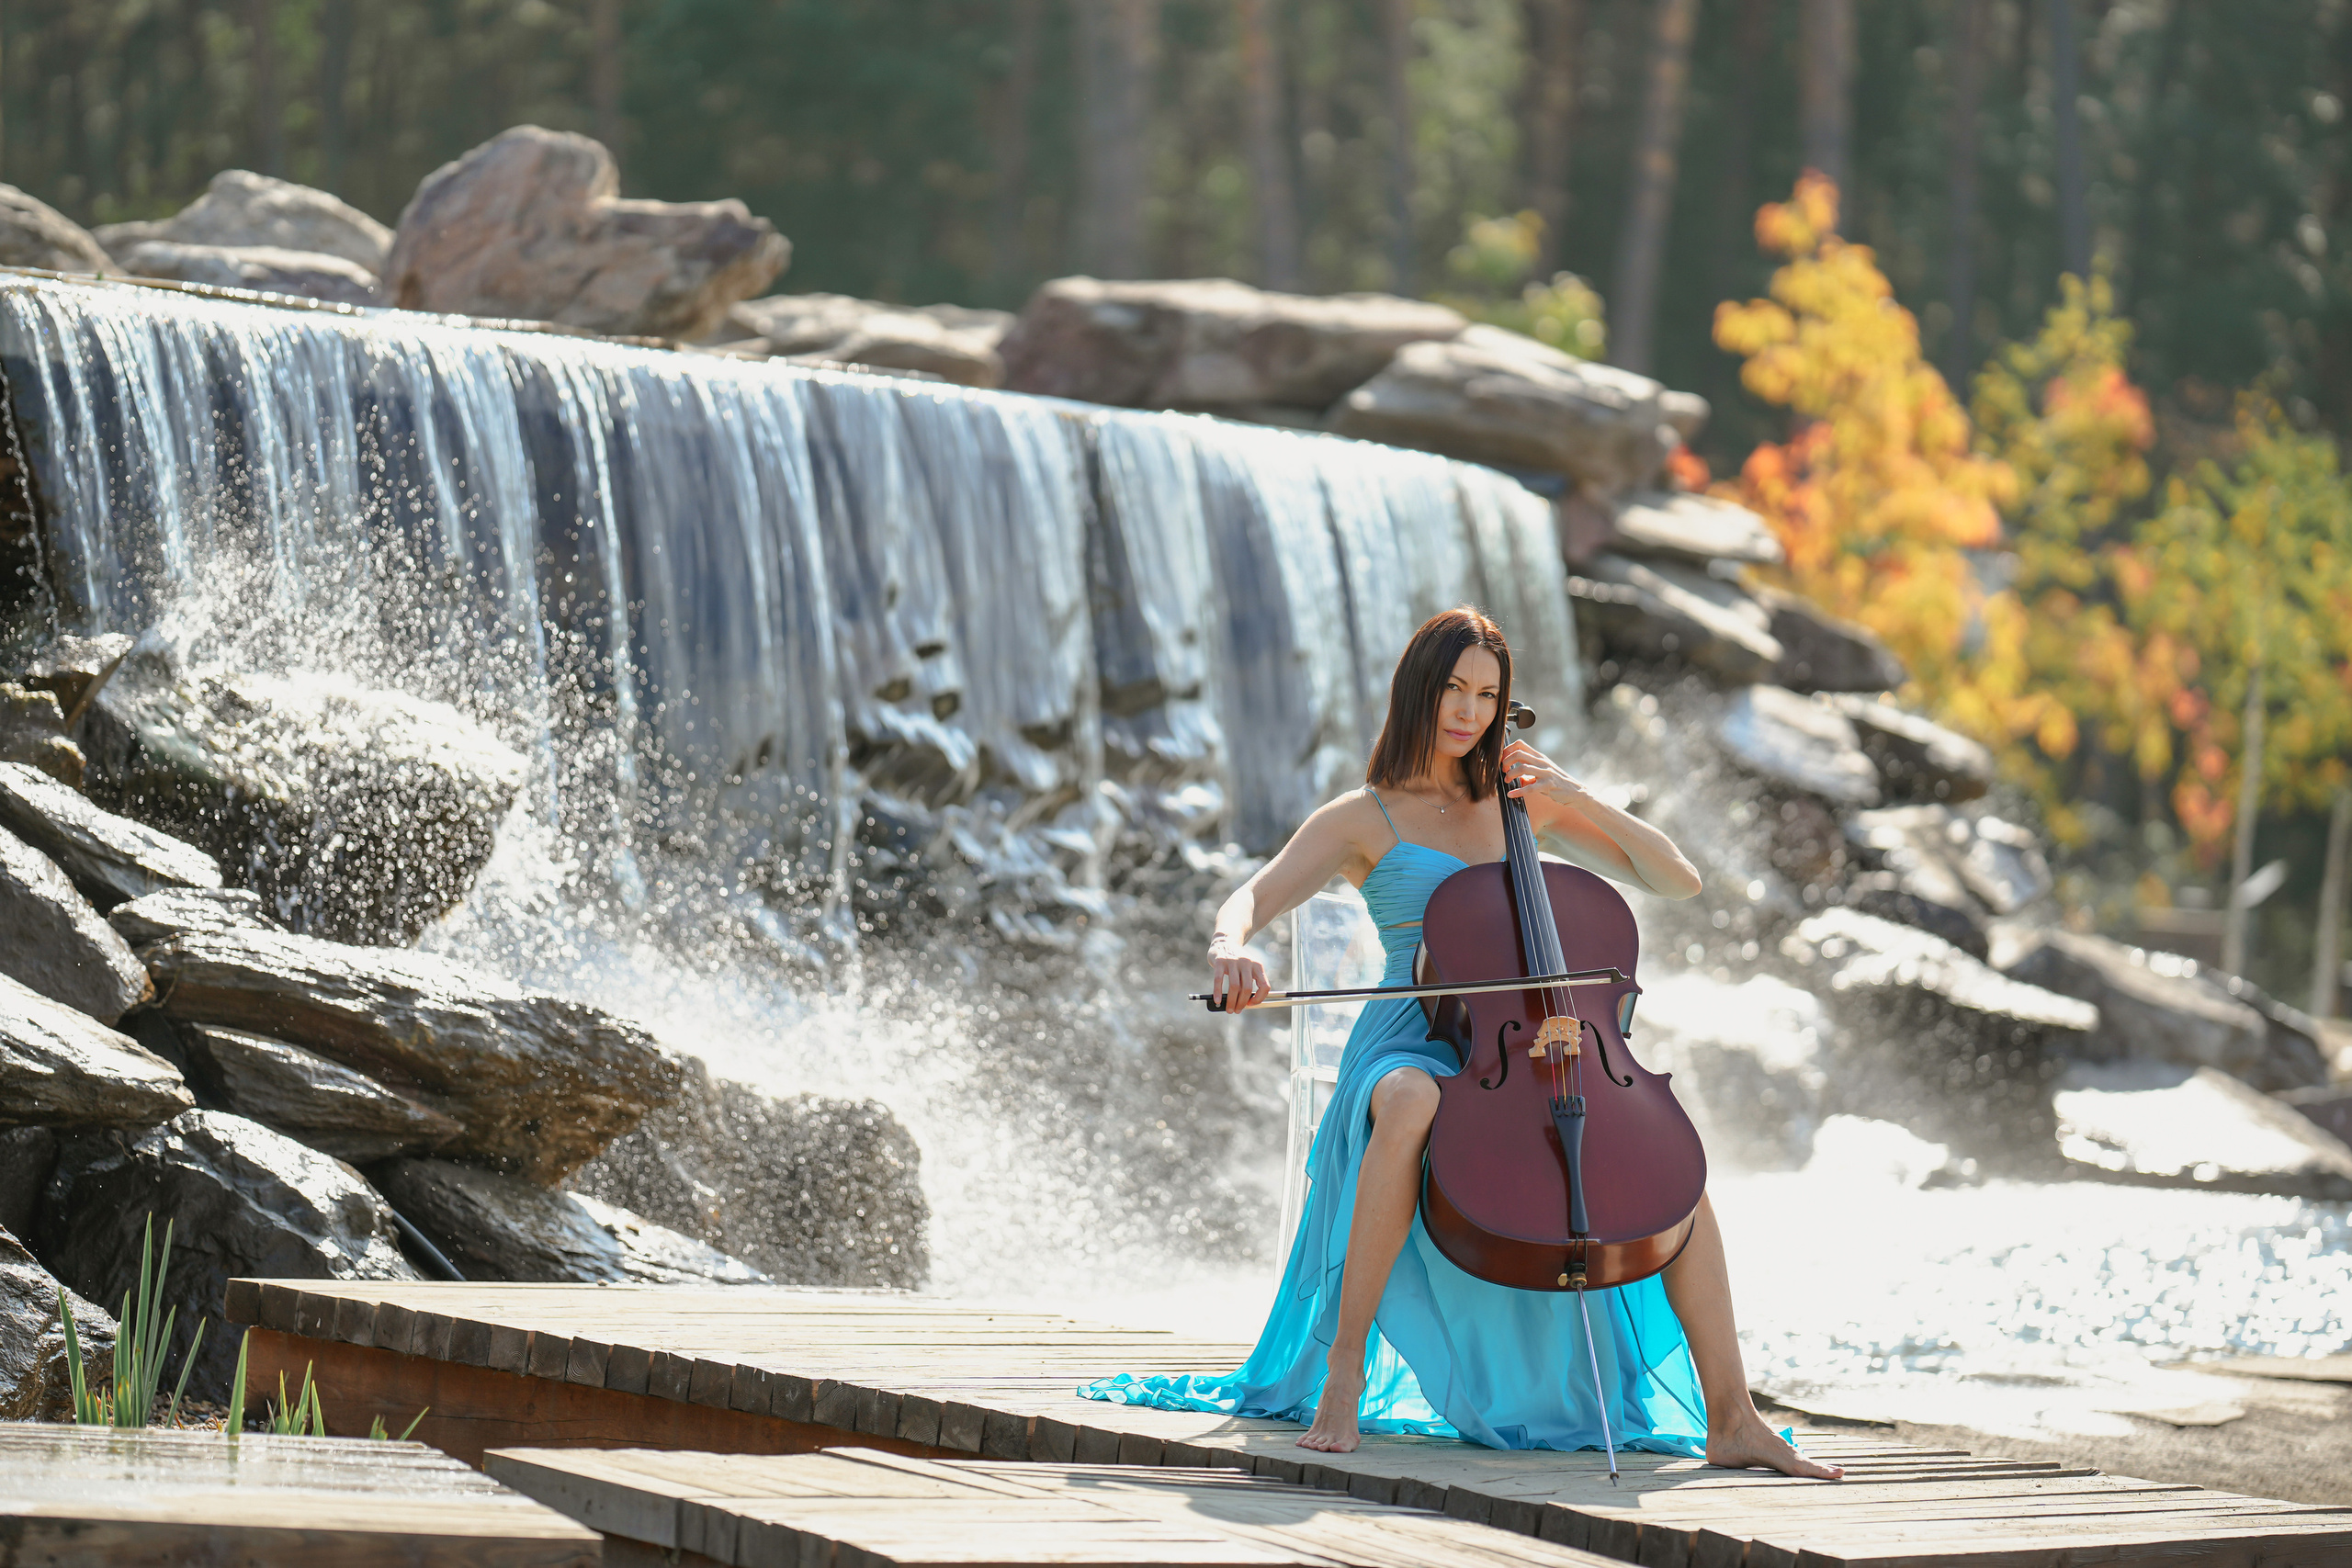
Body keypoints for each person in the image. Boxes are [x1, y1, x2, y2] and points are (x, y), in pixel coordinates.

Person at [1080, 606, 1839, 1477]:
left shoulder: (1521, 807)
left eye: (1488, 694)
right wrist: (1230, 947)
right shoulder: (1363, 817)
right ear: (1419, 690)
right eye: (1453, 688)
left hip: (1523, 1047)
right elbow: (1250, 898)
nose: (1470, 711)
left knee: (1669, 1176)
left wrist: (1576, 799)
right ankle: (1341, 1373)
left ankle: (1734, 1416)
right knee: (1411, 1098)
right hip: (1408, 1038)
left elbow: (1679, 878)